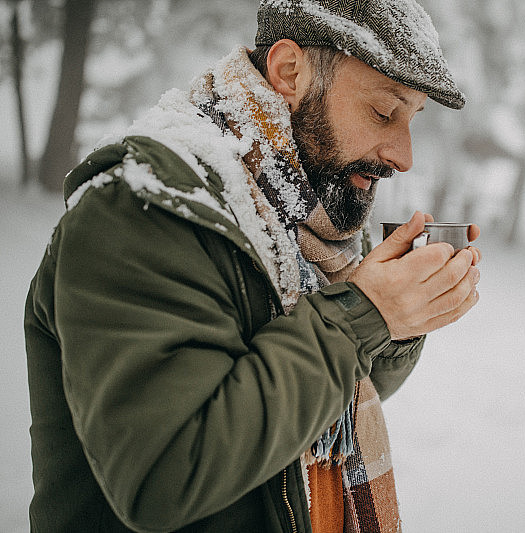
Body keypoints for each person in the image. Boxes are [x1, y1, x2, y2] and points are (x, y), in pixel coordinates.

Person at [25, 0, 481, 532]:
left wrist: (399, 317)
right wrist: (364, 316)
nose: (405, 156)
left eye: (411, 120)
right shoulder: (143, 211)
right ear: (289, 72)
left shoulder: (304, 218)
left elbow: (335, 393)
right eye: (383, 112)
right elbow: (164, 476)